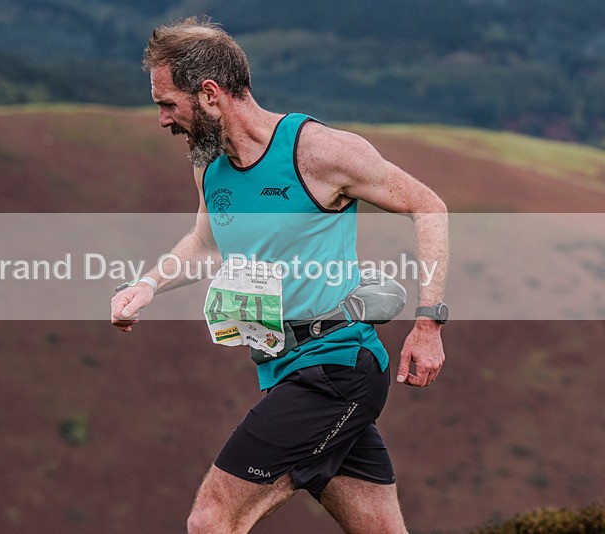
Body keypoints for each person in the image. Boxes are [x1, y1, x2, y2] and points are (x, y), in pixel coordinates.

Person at [111, 18, 449, 533]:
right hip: (284, 370)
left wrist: (428, 324)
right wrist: (148, 284)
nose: (161, 120)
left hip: (336, 368)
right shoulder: (210, 164)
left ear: (208, 94)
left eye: (167, 103)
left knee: (211, 520)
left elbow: (428, 206)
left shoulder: (318, 152)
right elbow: (205, 246)